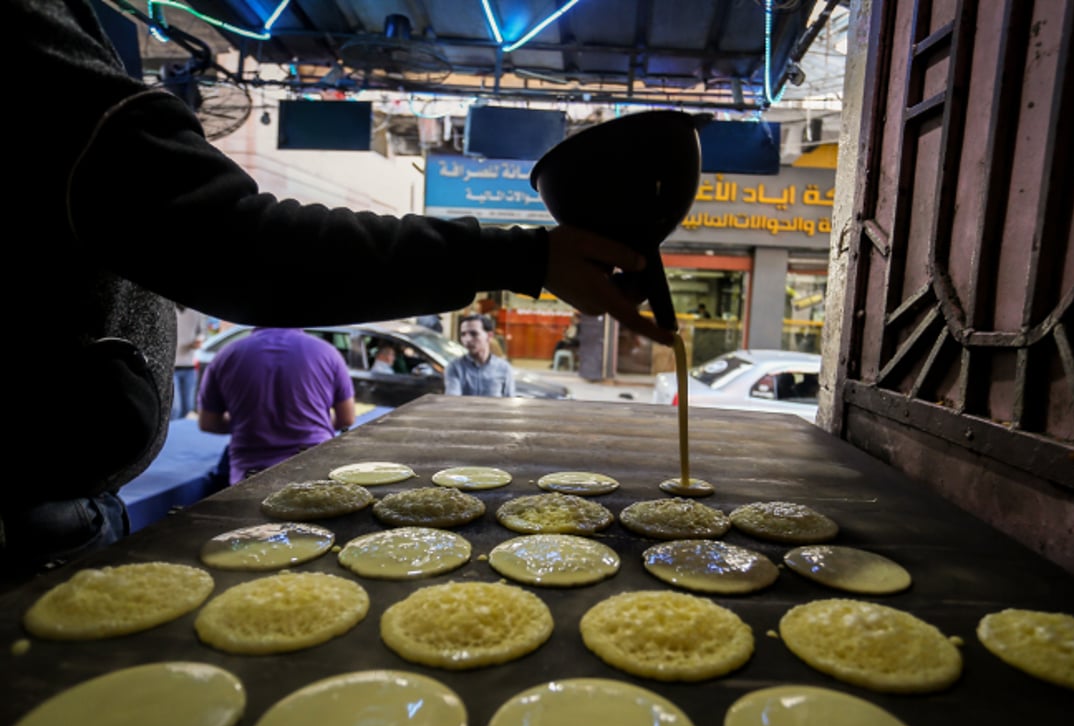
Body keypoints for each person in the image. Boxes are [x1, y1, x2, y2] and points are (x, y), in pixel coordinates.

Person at [0, 0, 672, 581]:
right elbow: (242, 245)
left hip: (61, 500)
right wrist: (527, 254)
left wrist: (527, 255)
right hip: (25, 519)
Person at [197, 328, 356, 484]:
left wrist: (246, 423)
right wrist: (314, 424)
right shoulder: (327, 352)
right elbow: (346, 418)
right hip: (315, 467)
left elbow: (208, 422)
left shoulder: (227, 354)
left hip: (251, 475)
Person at [444, 314, 516, 397]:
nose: (467, 339)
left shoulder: (504, 368)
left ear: (489, 336)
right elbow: (452, 400)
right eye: (463, 334)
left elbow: (509, 401)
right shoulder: (455, 367)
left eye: (474, 334)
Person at [172, 304, 206, 419]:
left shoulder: (195, 312)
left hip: (189, 366)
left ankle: (179, 434)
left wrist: (198, 341)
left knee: (188, 408)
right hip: (172, 367)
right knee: (175, 409)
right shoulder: (170, 311)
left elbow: (201, 334)